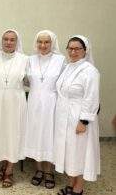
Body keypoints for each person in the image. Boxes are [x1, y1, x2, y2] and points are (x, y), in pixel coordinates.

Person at [54, 35, 100, 195]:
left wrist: (84, 121)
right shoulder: (68, 67)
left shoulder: (90, 71)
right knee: (70, 152)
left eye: (77, 49)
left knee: (80, 153)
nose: (73, 52)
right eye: (70, 48)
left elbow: (92, 98)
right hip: (65, 117)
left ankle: (78, 189)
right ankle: (71, 183)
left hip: (79, 118)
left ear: (85, 51)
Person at [24, 30, 65, 189]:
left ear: (53, 43)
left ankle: (49, 171)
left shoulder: (61, 60)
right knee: (35, 135)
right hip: (34, 102)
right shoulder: (30, 59)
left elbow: (63, 84)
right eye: (40, 42)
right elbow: (26, 81)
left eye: (46, 42)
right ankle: (38, 170)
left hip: (51, 103)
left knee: (49, 136)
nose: (43, 45)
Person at [0, 29, 28, 188]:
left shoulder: (24, 59)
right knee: (1, 134)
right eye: (6, 39)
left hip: (15, 101)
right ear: (1, 40)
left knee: (13, 134)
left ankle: (9, 170)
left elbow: (28, 82)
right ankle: (3, 165)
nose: (8, 42)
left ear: (17, 42)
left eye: (12, 39)